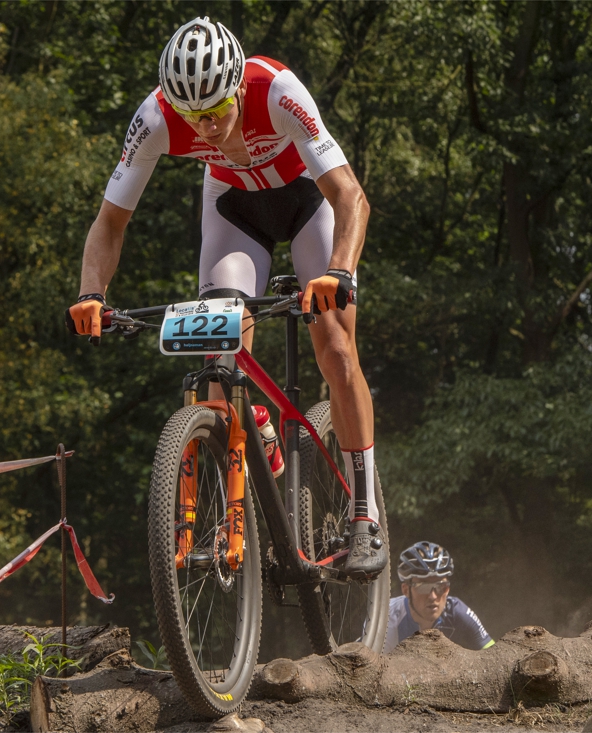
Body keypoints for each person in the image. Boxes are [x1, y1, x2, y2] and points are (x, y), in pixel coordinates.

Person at [66, 17, 385, 577]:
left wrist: (339, 272)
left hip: (307, 201)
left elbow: (350, 196)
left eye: (216, 111)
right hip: (234, 209)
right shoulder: (156, 117)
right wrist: (92, 293)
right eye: (194, 118)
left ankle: (366, 512)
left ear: (237, 86)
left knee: (334, 348)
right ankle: (232, 484)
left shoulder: (276, 89)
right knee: (219, 357)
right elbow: (110, 220)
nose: (206, 129)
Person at [384, 541, 495, 654]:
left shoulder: (458, 611)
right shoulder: (387, 621)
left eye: (441, 587)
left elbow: (494, 655)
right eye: (423, 587)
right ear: (406, 590)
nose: (433, 596)